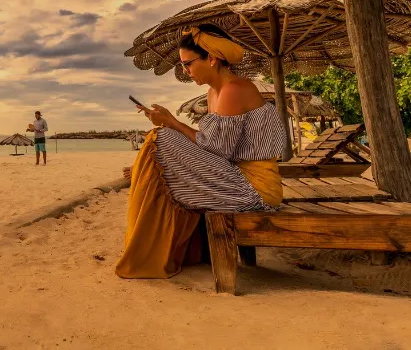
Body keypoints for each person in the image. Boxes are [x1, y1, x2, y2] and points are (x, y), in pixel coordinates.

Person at [116, 24, 286, 279]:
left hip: (256, 189)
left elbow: (217, 150)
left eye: (189, 64)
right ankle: (146, 172)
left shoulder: (235, 89)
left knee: (160, 138)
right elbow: (211, 145)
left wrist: (172, 123)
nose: (185, 71)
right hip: (235, 176)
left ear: (212, 58)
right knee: (161, 141)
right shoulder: (213, 93)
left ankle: (150, 243)